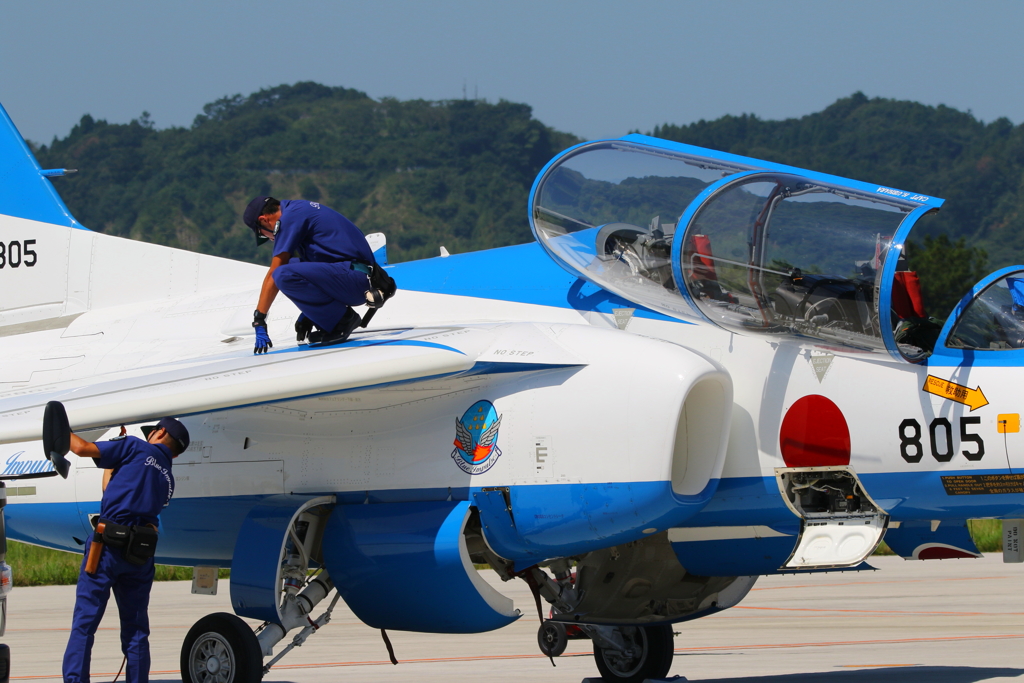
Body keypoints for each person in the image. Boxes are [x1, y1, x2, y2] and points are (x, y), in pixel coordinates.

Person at [62, 418, 189, 683]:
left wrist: (57, 429)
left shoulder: (134, 447)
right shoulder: (168, 479)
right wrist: (113, 463)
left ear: (160, 432)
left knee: (84, 624)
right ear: (175, 452)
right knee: (136, 630)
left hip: (106, 548)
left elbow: (82, 449)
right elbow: (115, 490)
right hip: (140, 556)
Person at [243, 196, 392, 353]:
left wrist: (259, 320)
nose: (271, 238)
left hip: (354, 279)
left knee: (283, 274)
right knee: (291, 266)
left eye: (262, 234)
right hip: (353, 274)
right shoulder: (297, 209)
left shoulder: (289, 218)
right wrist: (310, 313)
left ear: (264, 220)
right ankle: (334, 317)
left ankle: (342, 320)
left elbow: (275, 272)